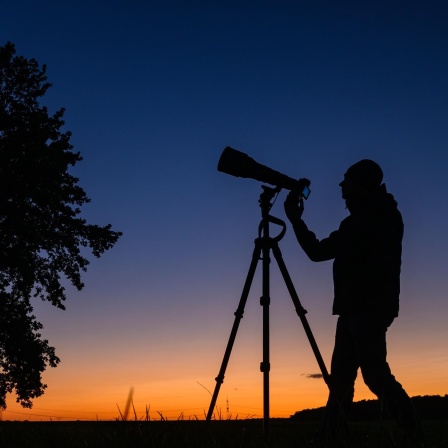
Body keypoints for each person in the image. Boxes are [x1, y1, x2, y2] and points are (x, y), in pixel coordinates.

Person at [284, 160, 422, 446]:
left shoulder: (371, 218)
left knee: (374, 375)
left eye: (346, 182)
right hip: (355, 308)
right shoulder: (375, 214)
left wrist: (296, 221)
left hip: (366, 308)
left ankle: (413, 431)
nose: (341, 188)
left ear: (362, 184)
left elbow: (318, 251)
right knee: (342, 379)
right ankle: (330, 432)